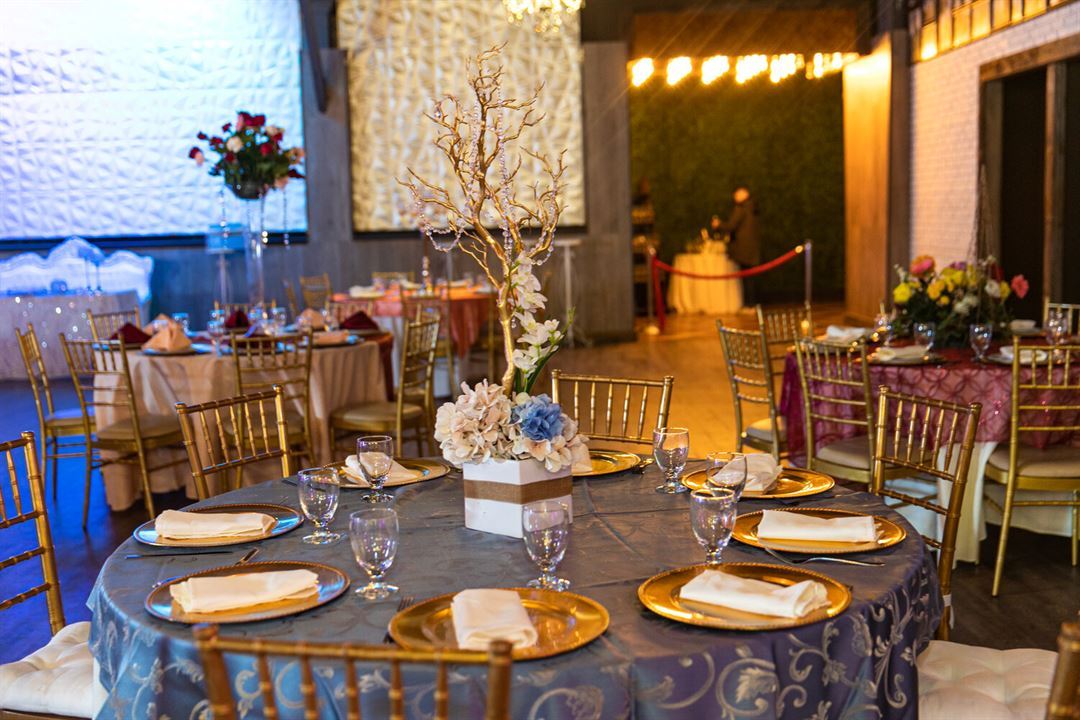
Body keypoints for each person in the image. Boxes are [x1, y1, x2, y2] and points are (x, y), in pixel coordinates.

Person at [710, 186, 760, 304]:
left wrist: (718, 224)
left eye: (737, 194)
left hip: (743, 249)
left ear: (745, 194)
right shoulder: (753, 207)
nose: (735, 197)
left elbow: (731, 225)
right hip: (751, 249)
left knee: (746, 278)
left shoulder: (741, 208)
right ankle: (751, 304)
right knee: (750, 278)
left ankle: (749, 305)